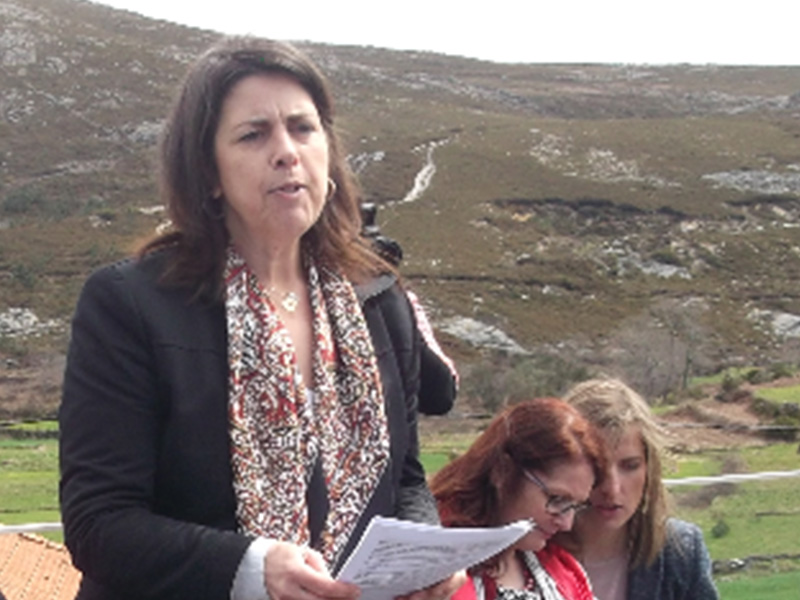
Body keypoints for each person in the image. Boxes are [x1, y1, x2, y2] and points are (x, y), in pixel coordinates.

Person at [59, 36, 463, 600]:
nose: (286, 151)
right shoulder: (131, 305)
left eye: (303, 128)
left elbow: (405, 480)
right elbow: (99, 523)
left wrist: (425, 553)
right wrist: (250, 567)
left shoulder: (378, 301)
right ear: (208, 173)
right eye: (254, 134)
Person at [558, 378, 719, 600]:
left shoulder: (680, 552)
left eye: (630, 466)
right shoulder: (526, 550)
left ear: (649, 467)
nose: (612, 488)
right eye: (597, 466)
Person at [431, 398, 606, 600]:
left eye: (575, 506)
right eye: (557, 499)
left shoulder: (565, 574)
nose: (566, 523)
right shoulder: (431, 572)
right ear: (503, 472)